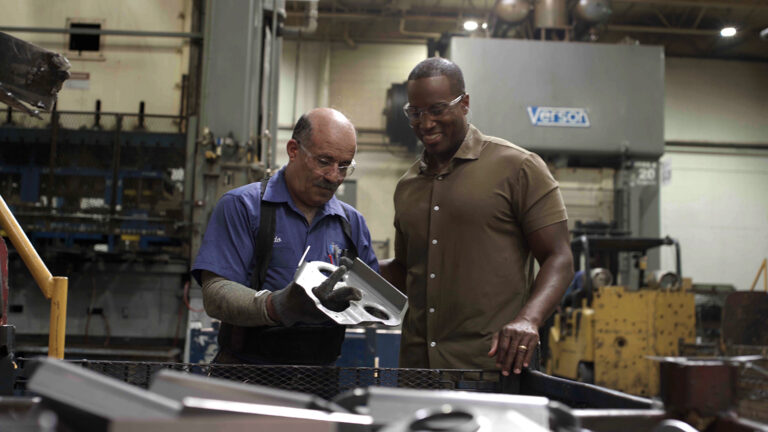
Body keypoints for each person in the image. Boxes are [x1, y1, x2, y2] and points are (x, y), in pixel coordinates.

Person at [379, 58, 574, 376]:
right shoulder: (407, 186)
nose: (426, 123)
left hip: (491, 367)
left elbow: (560, 257)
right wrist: (354, 272)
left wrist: (529, 319)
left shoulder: (518, 167)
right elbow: (407, 269)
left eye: (438, 109)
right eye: (415, 113)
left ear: (464, 103)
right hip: (418, 369)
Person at [192, 107, 379, 365]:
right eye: (324, 161)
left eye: (344, 166)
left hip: (319, 378)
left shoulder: (352, 223)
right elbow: (215, 294)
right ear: (294, 150)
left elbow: (372, 301)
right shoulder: (243, 207)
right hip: (249, 374)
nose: (335, 177)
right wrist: (278, 305)